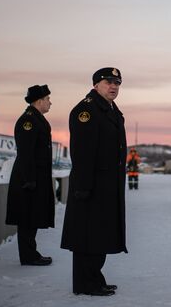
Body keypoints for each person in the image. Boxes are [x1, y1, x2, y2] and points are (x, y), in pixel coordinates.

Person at [60, 67, 127, 297]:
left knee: (99, 236)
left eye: (117, 82)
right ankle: (85, 284)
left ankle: (94, 279)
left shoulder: (109, 109)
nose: (114, 86)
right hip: (91, 186)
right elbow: (83, 153)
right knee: (87, 237)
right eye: (108, 82)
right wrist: (84, 187)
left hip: (106, 186)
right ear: (96, 84)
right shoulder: (86, 110)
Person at [5, 84, 55, 266]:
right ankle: (28, 256)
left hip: (34, 178)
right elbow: (26, 153)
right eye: (48, 99)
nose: (50, 102)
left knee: (32, 217)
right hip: (28, 179)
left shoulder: (36, 119)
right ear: (39, 101)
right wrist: (29, 180)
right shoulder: (29, 121)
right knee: (27, 218)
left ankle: (31, 253)